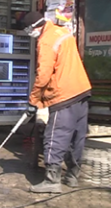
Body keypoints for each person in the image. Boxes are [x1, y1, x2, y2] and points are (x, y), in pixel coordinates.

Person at [21, 11, 92, 193]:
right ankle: (72, 176)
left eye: (28, 30)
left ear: (33, 28)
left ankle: (52, 181)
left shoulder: (46, 40)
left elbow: (43, 75)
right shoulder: (62, 32)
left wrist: (33, 100)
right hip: (81, 90)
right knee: (76, 136)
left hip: (64, 94)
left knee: (55, 136)